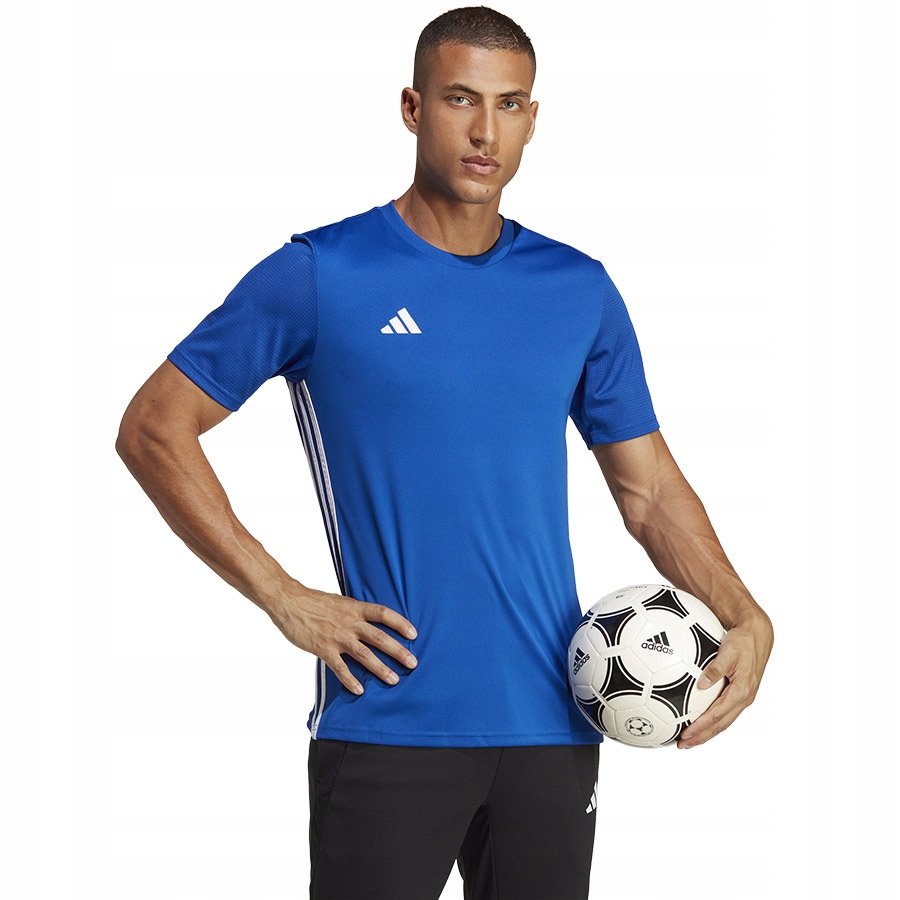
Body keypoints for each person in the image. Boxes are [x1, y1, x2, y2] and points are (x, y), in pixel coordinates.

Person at [116, 7, 773, 900]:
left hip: (554, 722)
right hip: (391, 723)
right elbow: (154, 426)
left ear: (532, 119)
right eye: (461, 99)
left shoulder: (577, 288)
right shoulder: (322, 272)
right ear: (412, 107)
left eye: (509, 104)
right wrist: (281, 594)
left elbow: (648, 490)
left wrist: (745, 614)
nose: (484, 131)